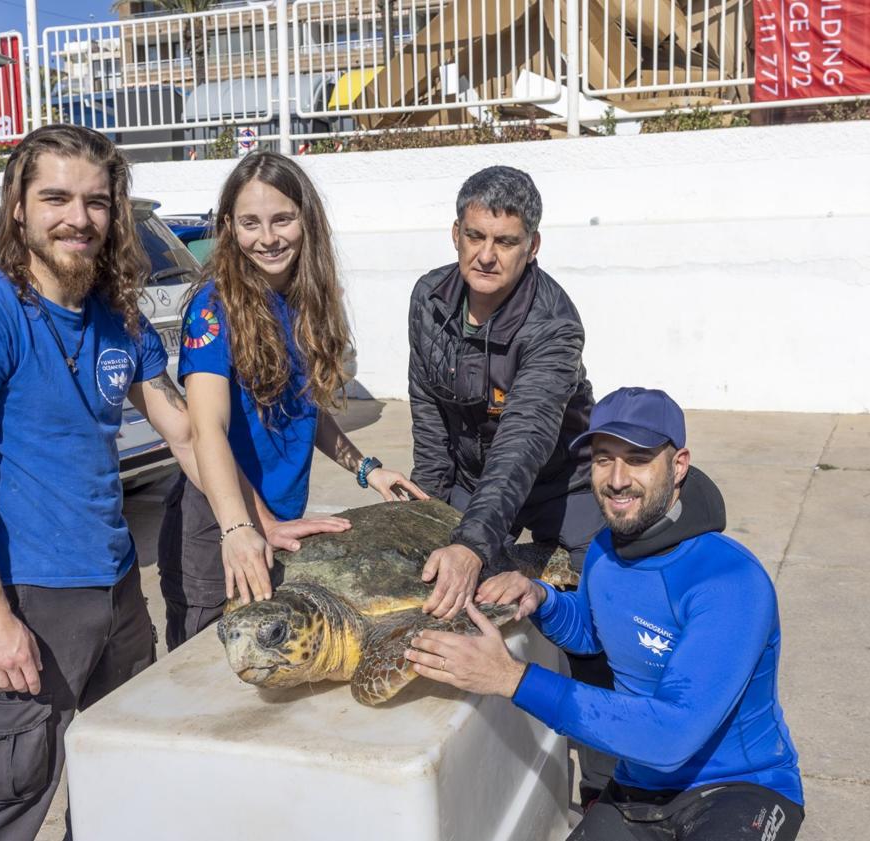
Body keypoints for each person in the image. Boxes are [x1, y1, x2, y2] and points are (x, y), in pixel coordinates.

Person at [0, 125, 315, 840]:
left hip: (116, 591)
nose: (78, 218)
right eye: (57, 198)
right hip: (29, 599)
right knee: (5, 807)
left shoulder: (118, 321)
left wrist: (250, 522)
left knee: (120, 790)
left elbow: (189, 433)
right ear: (19, 207)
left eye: (97, 201)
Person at [405, 387, 805, 841]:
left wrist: (510, 679)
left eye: (637, 459)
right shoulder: (604, 550)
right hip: (639, 786)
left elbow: (671, 735)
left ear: (678, 466)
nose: (616, 479)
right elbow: (597, 632)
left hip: (741, 788)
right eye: (602, 458)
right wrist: (543, 599)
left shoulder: (730, 581)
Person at [158, 150, 426, 649]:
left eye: (282, 219)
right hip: (221, 522)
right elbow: (205, 429)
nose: (268, 237)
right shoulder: (215, 307)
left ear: (307, 220)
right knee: (210, 682)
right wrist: (244, 525)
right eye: (250, 223)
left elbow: (305, 410)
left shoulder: (307, 300)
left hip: (278, 523)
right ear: (227, 227)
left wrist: (367, 468)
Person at [406, 164, 615, 795]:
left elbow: (524, 439)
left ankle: (606, 780)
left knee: (595, 614)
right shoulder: (428, 298)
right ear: (455, 234)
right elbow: (428, 412)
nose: (486, 255)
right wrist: (436, 518)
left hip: (559, 481)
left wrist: (473, 542)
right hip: (472, 477)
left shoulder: (555, 322)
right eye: (475, 237)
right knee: (441, 595)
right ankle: (469, 774)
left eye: (505, 242)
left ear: (533, 247)